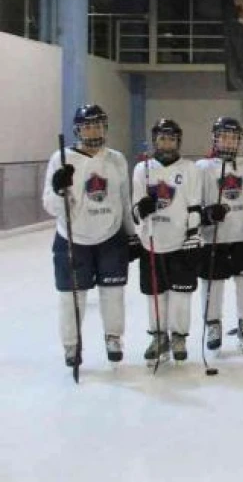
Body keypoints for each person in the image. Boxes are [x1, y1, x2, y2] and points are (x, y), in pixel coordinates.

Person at [43, 104, 137, 368]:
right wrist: (58, 189)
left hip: (110, 237)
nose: (92, 130)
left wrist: (132, 235)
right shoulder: (60, 158)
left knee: (113, 292)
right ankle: (71, 344)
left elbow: (124, 199)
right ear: (77, 129)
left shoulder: (117, 159)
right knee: (71, 295)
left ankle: (113, 337)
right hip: (74, 239)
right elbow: (50, 205)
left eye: (97, 124)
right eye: (87, 125)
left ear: (105, 127)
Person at [132, 119, 203, 364]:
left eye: (171, 138)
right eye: (162, 138)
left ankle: (179, 336)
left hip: (180, 241)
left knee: (181, 294)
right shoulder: (142, 169)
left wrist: (193, 233)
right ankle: (158, 335)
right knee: (155, 294)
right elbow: (135, 208)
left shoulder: (190, 169)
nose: (166, 143)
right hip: (151, 240)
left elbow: (194, 205)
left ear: (178, 141)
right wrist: (142, 209)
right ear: (155, 141)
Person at [196, 117, 243, 354]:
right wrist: (206, 215)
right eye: (224, 136)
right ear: (215, 138)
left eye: (233, 137)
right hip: (213, 237)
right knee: (212, 284)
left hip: (242, 235)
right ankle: (213, 324)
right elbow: (195, 202)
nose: (229, 141)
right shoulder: (202, 168)